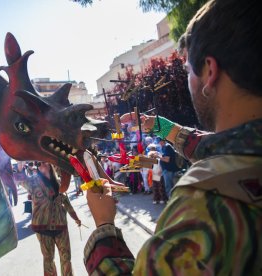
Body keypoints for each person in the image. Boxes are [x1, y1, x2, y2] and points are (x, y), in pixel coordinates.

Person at [83, 0, 262, 274]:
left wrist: (104, 229)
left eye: (189, 70)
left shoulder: (205, 208)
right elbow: (214, 146)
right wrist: (159, 126)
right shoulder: (248, 150)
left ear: (210, 71)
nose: (188, 79)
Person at [19, 161, 81, 276]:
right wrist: (19, 167)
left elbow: (66, 201)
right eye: (38, 164)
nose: (42, 165)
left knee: (66, 258)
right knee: (48, 260)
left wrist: (75, 217)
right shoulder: (33, 182)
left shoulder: (59, 183)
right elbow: (20, 180)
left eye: (44, 162)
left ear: (50, 164)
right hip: (43, 228)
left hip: (61, 225)